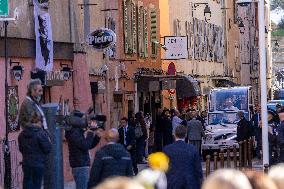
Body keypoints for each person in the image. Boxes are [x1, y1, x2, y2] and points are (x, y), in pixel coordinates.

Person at [65, 110, 102, 189]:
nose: (85, 122)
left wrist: (97, 137)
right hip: (80, 165)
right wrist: (91, 132)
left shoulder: (77, 132)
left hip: (82, 164)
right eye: (83, 120)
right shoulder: (73, 133)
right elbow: (85, 145)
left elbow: (88, 146)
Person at [18, 112, 52, 189]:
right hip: (38, 164)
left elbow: (21, 149)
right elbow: (47, 149)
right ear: (39, 122)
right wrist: (49, 141)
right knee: (36, 185)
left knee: (27, 184)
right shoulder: (41, 133)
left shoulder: (22, 134)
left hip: (26, 163)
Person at [163, 125, 203, 189]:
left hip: (172, 184)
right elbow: (198, 171)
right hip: (190, 184)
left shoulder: (167, 149)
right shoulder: (193, 149)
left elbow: (163, 170)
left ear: (174, 134)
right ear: (186, 135)